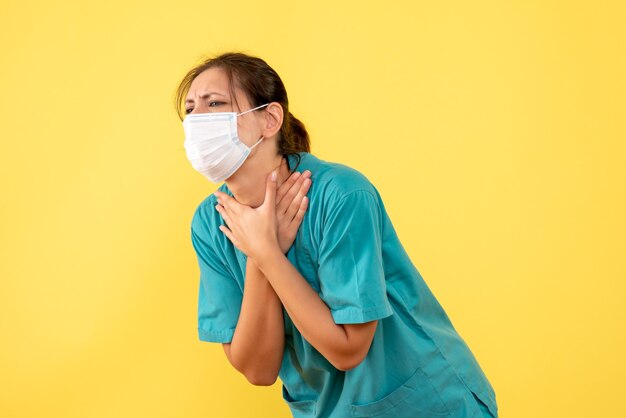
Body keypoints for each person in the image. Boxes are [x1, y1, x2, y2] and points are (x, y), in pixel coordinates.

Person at [176, 52, 499, 418]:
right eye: (190, 110)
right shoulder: (210, 224)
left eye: (215, 103)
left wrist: (267, 253)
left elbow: (348, 349)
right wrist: (258, 257)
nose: (198, 121)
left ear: (269, 119)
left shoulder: (341, 195)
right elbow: (258, 370)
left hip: (424, 403)